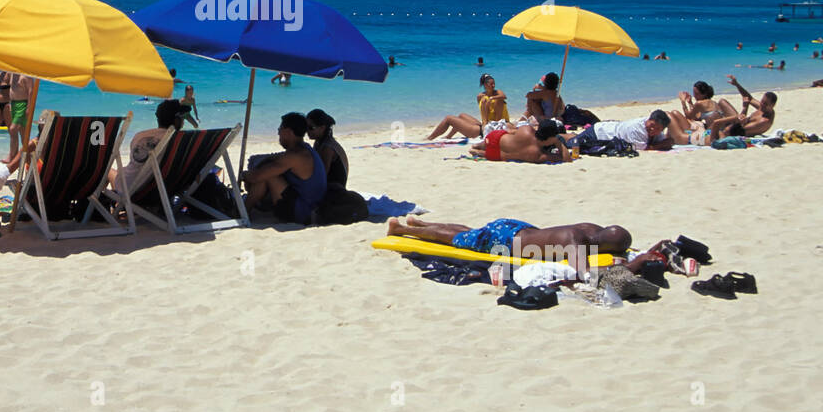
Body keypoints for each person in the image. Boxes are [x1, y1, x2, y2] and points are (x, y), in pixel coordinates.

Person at [386, 215, 633, 274]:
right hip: (504, 242)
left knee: (470, 233)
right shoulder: (576, 242)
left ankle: (421, 223)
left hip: (516, 227)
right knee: (456, 240)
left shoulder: (588, 229)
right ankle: (401, 229)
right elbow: (584, 276)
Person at [241, 112, 326, 224]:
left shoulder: (296, 156)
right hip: (311, 206)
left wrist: (242, 175)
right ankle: (252, 206)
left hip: (303, 213)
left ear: (288, 132)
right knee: (267, 171)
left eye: (280, 128)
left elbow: (256, 177)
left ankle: (243, 212)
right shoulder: (303, 150)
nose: (278, 132)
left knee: (267, 176)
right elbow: (276, 159)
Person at [109, 99, 188, 195]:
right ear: (176, 120)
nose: (184, 119)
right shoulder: (182, 141)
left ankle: (113, 204)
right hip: (164, 190)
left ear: (157, 117)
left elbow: (136, 163)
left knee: (109, 171)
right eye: (183, 117)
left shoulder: (141, 136)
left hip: (134, 190)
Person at [565, 110, 672, 152]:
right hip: (599, 133)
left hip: (612, 127)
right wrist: (663, 144)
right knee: (570, 145)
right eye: (652, 125)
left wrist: (665, 142)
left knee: (574, 139)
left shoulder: (655, 127)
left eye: (658, 129)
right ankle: (560, 137)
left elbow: (665, 142)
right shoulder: (636, 129)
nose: (653, 129)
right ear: (648, 119)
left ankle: (570, 135)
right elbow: (647, 148)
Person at [472, 120, 571, 164]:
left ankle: (477, 145)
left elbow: (510, 131)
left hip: (495, 136)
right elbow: (566, 159)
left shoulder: (527, 129)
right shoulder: (536, 154)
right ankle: (479, 153)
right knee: (503, 153)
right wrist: (558, 142)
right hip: (494, 154)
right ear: (550, 138)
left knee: (502, 139)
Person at [711, 76, 776, 138]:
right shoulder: (763, 108)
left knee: (720, 123)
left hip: (737, 129)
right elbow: (749, 98)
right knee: (722, 102)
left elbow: (738, 129)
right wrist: (737, 85)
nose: (762, 105)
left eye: (765, 104)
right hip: (739, 121)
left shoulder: (763, 121)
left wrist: (745, 107)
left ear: (773, 105)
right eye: (762, 101)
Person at [306, 109, 349, 187]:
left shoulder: (327, 147)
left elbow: (322, 175)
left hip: (335, 190)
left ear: (322, 128)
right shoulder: (319, 142)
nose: (307, 131)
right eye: (305, 127)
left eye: (311, 127)